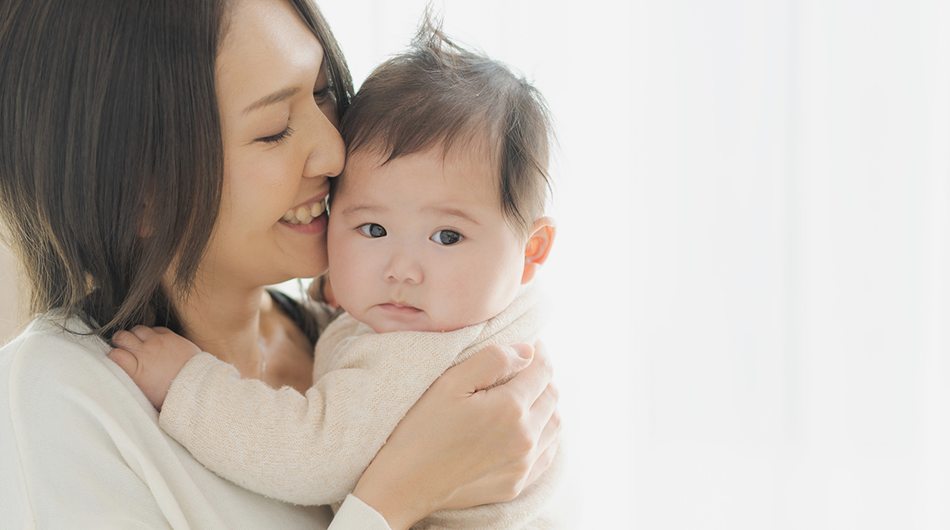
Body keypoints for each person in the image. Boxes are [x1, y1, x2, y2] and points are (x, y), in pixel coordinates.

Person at [0, 1, 560, 529]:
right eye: (273, 130)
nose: (336, 151)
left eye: (321, 93)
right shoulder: (62, 394)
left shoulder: (362, 332)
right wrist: (397, 498)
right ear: (142, 196)